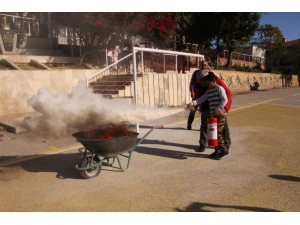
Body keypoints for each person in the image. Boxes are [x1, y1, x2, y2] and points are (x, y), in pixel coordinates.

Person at [190, 66, 232, 153]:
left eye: (201, 80)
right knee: (205, 125)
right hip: (207, 105)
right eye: (198, 80)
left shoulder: (215, 81)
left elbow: (227, 95)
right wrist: (193, 104)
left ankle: (225, 145)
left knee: (223, 127)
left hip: (219, 106)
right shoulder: (200, 84)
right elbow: (200, 97)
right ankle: (203, 144)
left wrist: (224, 109)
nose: (199, 82)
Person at [187, 59, 212, 130]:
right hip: (198, 93)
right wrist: (192, 91)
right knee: (193, 109)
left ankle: (203, 126)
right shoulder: (196, 73)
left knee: (204, 111)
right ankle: (189, 123)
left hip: (206, 94)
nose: (203, 66)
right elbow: (192, 82)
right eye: (202, 65)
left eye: (205, 65)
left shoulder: (209, 74)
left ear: (207, 66)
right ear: (199, 66)